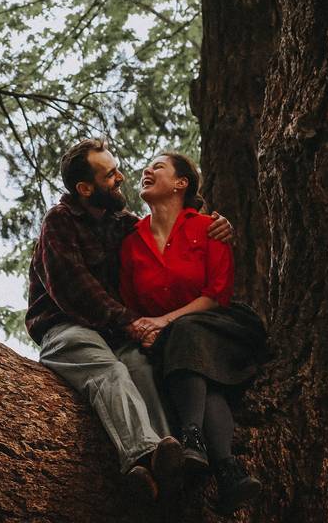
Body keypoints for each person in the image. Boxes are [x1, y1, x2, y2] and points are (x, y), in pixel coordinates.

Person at [25, 139, 233, 501]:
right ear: (85, 189)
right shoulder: (59, 222)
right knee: (110, 371)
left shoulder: (123, 224)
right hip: (65, 329)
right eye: (110, 175)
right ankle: (143, 454)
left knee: (142, 368)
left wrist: (214, 224)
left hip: (113, 333)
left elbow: (168, 231)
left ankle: (177, 462)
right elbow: (75, 289)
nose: (122, 177)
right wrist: (133, 323)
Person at [118, 152, 267, 515]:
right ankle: (229, 470)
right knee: (206, 378)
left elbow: (217, 294)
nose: (147, 170)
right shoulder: (131, 242)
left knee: (187, 332)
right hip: (176, 345)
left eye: (158, 167)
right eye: (147, 167)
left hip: (221, 328)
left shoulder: (208, 227)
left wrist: (165, 321)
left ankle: (190, 436)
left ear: (181, 183)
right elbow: (129, 305)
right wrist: (143, 328)